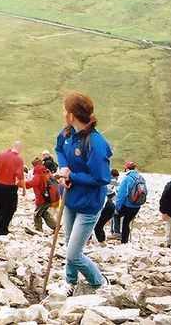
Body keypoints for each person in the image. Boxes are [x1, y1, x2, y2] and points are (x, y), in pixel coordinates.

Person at [54, 92, 112, 296]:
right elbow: (59, 148)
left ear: (71, 115)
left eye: (64, 111)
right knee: (69, 244)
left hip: (89, 204)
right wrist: (64, 170)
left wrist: (73, 176)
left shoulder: (95, 143)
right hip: (70, 199)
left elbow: (102, 178)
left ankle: (100, 283)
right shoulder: (68, 133)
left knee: (73, 254)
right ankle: (70, 282)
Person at [0, 141, 27, 235]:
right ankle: (2, 229)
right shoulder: (18, 160)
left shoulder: (1, 155)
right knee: (10, 208)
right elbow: (20, 178)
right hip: (10, 187)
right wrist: (24, 189)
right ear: (20, 149)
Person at [113, 162, 146, 244]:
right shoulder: (141, 178)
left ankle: (117, 233)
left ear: (127, 169)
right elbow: (146, 192)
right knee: (126, 222)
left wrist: (117, 207)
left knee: (115, 215)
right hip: (137, 206)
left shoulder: (127, 178)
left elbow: (121, 194)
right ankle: (125, 241)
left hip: (127, 205)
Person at [25, 157, 57, 233]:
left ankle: (38, 229)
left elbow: (34, 182)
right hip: (50, 196)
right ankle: (56, 226)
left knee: (37, 214)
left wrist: (23, 184)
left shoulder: (38, 173)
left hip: (42, 197)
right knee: (44, 212)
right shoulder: (45, 171)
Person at [93, 169, 119, 244]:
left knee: (96, 225)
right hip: (109, 201)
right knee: (98, 226)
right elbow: (118, 190)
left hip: (105, 203)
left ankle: (101, 242)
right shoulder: (109, 180)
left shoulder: (103, 181)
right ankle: (102, 241)